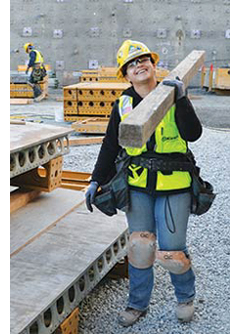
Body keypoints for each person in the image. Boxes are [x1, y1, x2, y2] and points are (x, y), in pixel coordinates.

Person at [85, 40, 202, 327]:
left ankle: (186, 297)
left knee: (172, 252)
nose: (139, 65)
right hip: (138, 184)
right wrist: (95, 180)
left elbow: (194, 133)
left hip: (174, 183)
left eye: (143, 59)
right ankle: (137, 304)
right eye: (131, 64)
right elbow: (110, 145)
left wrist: (182, 98)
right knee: (140, 245)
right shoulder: (123, 104)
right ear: (125, 75)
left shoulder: (172, 95)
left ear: (153, 65)